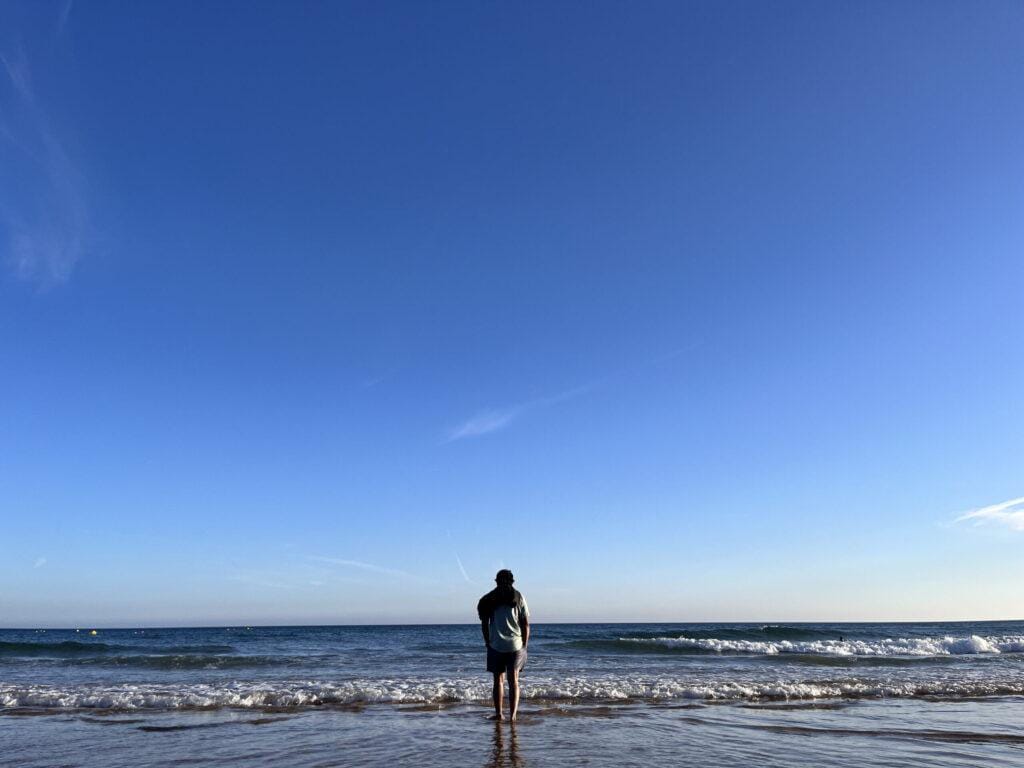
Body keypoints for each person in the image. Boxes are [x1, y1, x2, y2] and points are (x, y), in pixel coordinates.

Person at [477, 569, 529, 721]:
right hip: (515, 645)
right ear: (512, 581)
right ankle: (513, 716)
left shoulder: (489, 598)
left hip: (496, 645)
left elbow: (484, 624)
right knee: (514, 682)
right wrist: (525, 645)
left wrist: (487, 642)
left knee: (498, 681)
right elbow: (525, 624)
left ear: (496, 581)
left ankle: (499, 714)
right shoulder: (519, 597)